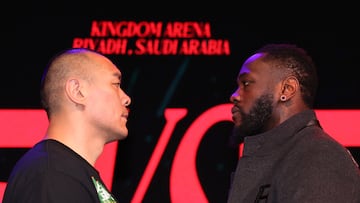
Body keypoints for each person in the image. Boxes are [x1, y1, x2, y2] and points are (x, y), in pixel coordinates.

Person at [227, 43, 360, 203]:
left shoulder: (319, 157)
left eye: (246, 83)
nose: (234, 95)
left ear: (287, 89)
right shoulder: (282, 156)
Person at [3, 48, 131, 203]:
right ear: (77, 91)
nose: (126, 99)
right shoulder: (52, 175)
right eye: (115, 84)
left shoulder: (67, 173)